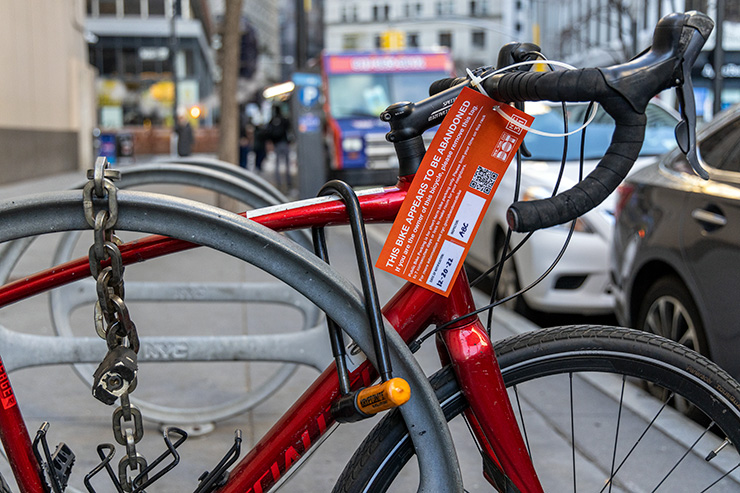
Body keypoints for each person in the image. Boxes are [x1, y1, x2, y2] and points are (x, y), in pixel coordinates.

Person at [268, 106, 292, 189]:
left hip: (277, 144)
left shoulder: (272, 120)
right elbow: (288, 129)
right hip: (284, 143)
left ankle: (279, 183)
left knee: (277, 164)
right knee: (287, 164)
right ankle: (289, 183)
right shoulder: (284, 120)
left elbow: (268, 132)